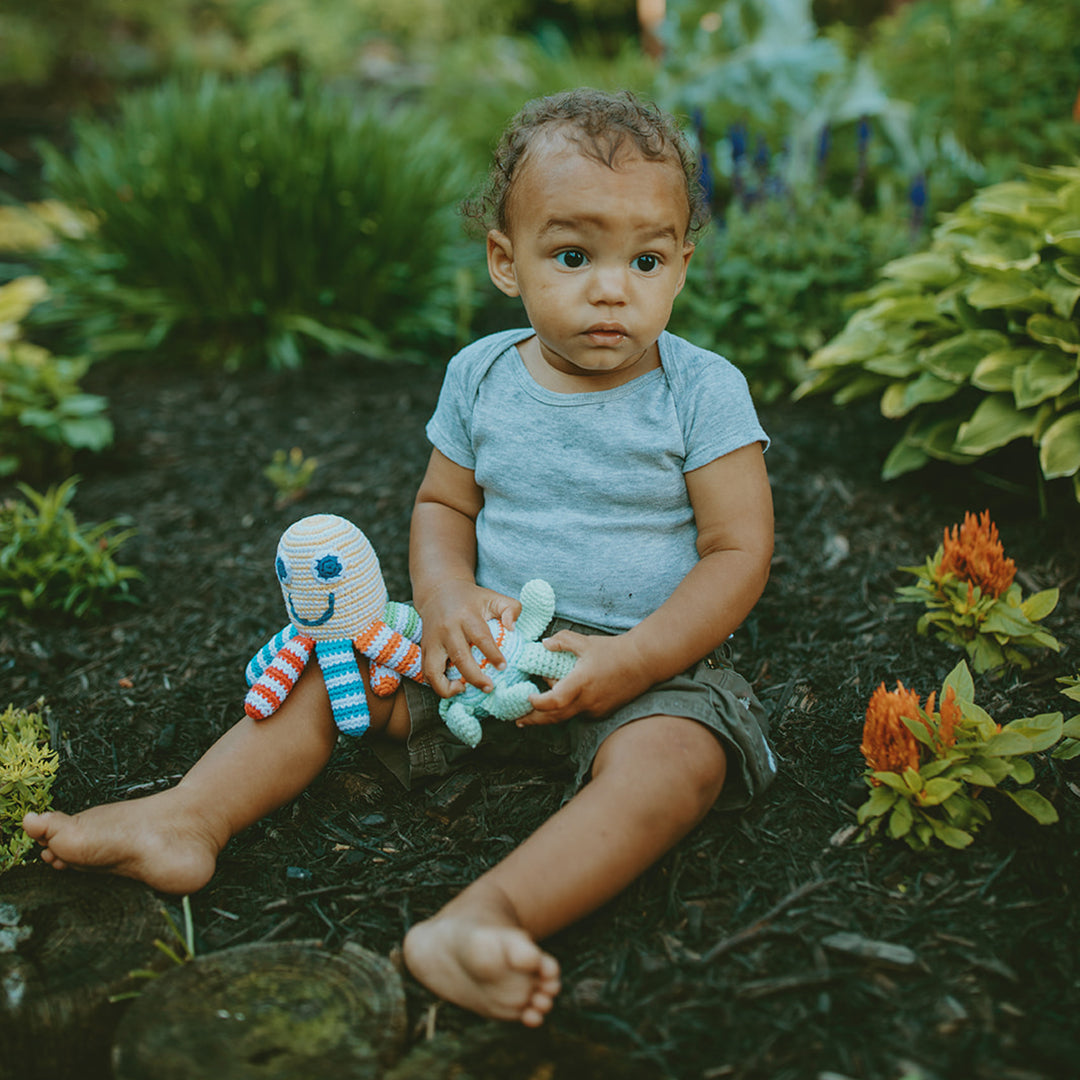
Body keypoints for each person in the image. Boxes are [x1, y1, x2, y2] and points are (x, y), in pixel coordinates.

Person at [22, 88, 776, 1029]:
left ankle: (484, 919)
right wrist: (446, 592)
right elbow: (443, 503)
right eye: (573, 255)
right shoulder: (483, 377)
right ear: (508, 260)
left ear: (682, 266)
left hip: (640, 664)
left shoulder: (701, 392)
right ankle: (188, 815)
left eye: (647, 259)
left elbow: (739, 552)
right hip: (480, 651)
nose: (612, 288)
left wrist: (637, 659)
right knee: (329, 658)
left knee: (679, 761)